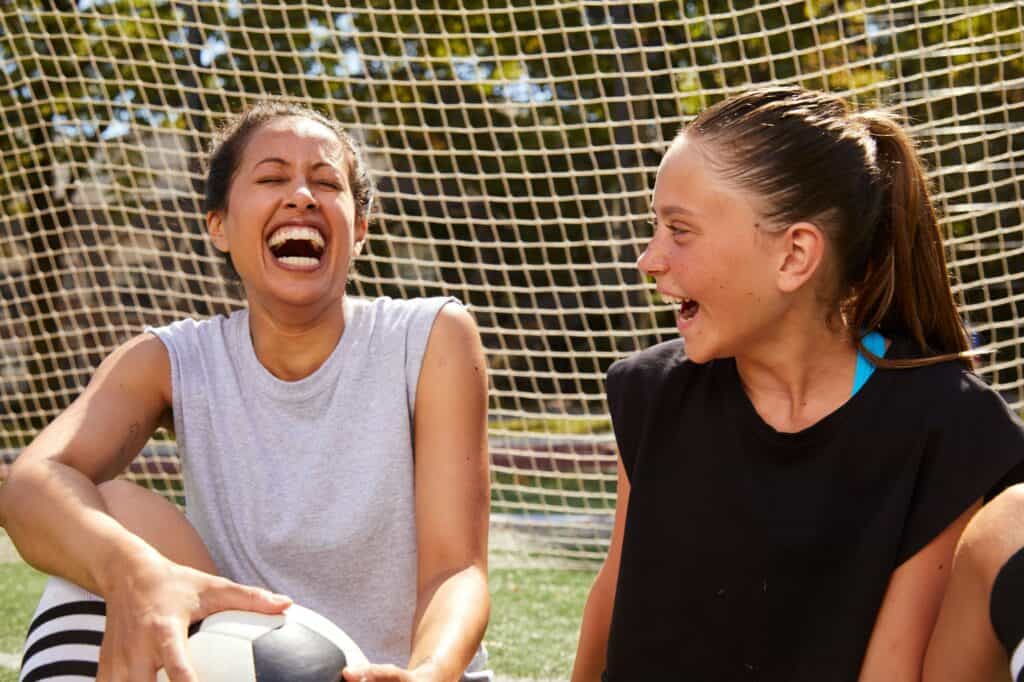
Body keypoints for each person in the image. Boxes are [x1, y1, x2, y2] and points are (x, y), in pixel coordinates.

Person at [0, 101, 492, 682]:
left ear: (359, 229)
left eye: (326, 182)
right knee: (104, 516)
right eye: (272, 178)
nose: (302, 196)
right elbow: (28, 486)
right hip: (242, 661)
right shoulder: (172, 358)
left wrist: (429, 674)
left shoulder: (431, 337)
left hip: (406, 674)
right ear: (219, 227)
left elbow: (457, 570)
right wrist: (131, 571)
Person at [570, 86, 1024, 681]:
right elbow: (615, 594)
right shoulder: (652, 393)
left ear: (794, 256)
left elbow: (893, 667)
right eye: (655, 226)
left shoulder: (949, 426)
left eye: (679, 231)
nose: (649, 259)